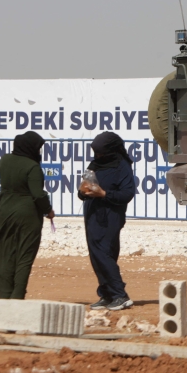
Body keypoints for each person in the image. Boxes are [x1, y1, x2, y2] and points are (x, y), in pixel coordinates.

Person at [0, 131, 54, 299]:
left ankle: (4, 293)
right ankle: (17, 296)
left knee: (4, 253)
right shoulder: (32, 166)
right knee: (24, 256)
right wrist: (48, 210)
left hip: (4, 210)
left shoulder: (4, 160)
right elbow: (38, 194)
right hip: (28, 214)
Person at [79, 131, 136, 311]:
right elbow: (83, 189)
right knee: (96, 255)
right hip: (93, 214)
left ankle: (120, 294)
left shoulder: (121, 166)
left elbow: (127, 193)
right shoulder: (95, 164)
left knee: (104, 253)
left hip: (111, 215)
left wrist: (103, 194)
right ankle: (107, 294)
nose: (99, 156)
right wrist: (83, 191)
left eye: (102, 152)